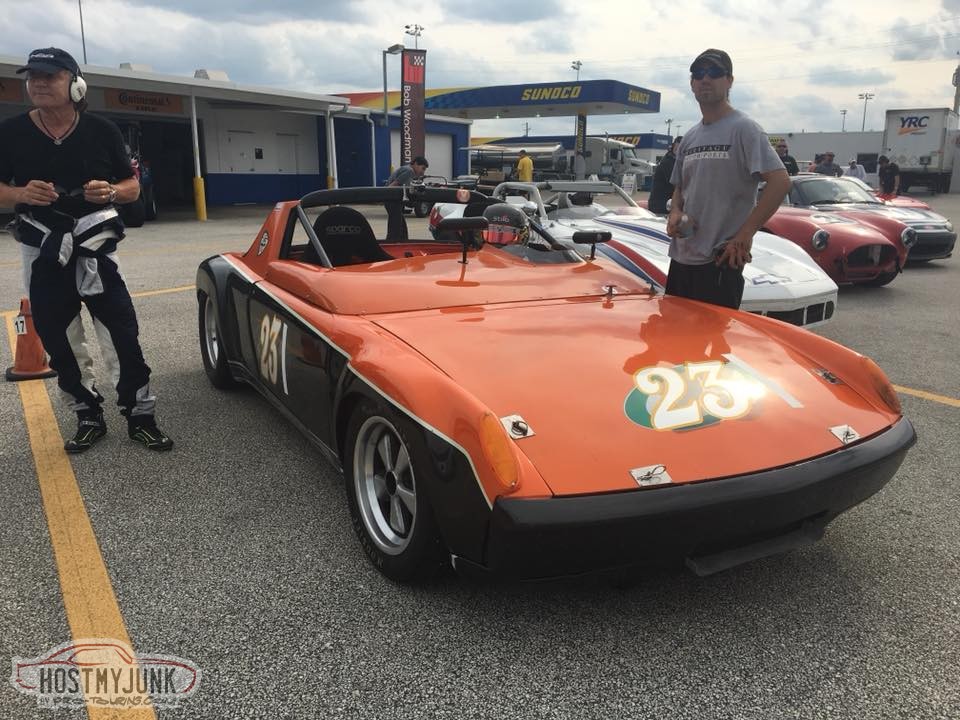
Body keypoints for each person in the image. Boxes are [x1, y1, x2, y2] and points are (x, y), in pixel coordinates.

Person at [0, 47, 173, 453]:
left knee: (120, 332)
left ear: (75, 85)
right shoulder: (9, 132)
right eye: (33, 76)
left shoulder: (102, 130)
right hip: (42, 249)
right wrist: (21, 194)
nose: (39, 83)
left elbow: (132, 187)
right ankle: (87, 414)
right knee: (60, 336)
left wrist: (111, 191)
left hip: (97, 248)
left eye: (50, 76)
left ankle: (140, 415)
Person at [666, 48, 790, 310]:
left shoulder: (744, 129)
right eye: (698, 73)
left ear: (729, 81)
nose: (705, 79)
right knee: (674, 333)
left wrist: (744, 235)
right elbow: (679, 187)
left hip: (719, 262)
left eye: (714, 72)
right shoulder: (690, 137)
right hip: (681, 259)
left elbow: (780, 182)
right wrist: (675, 212)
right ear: (692, 83)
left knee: (711, 338)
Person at [384, 155, 428, 241]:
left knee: (401, 227)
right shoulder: (409, 171)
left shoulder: (407, 169)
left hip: (393, 200)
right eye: (422, 168)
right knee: (396, 227)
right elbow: (393, 185)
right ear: (416, 164)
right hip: (392, 200)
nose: (423, 172)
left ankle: (401, 241)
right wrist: (387, 196)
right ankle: (393, 243)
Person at [647, 135, 681, 214]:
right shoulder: (668, 162)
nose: (679, 152)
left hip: (662, 202)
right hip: (661, 205)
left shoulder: (673, 161)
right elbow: (676, 184)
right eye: (677, 149)